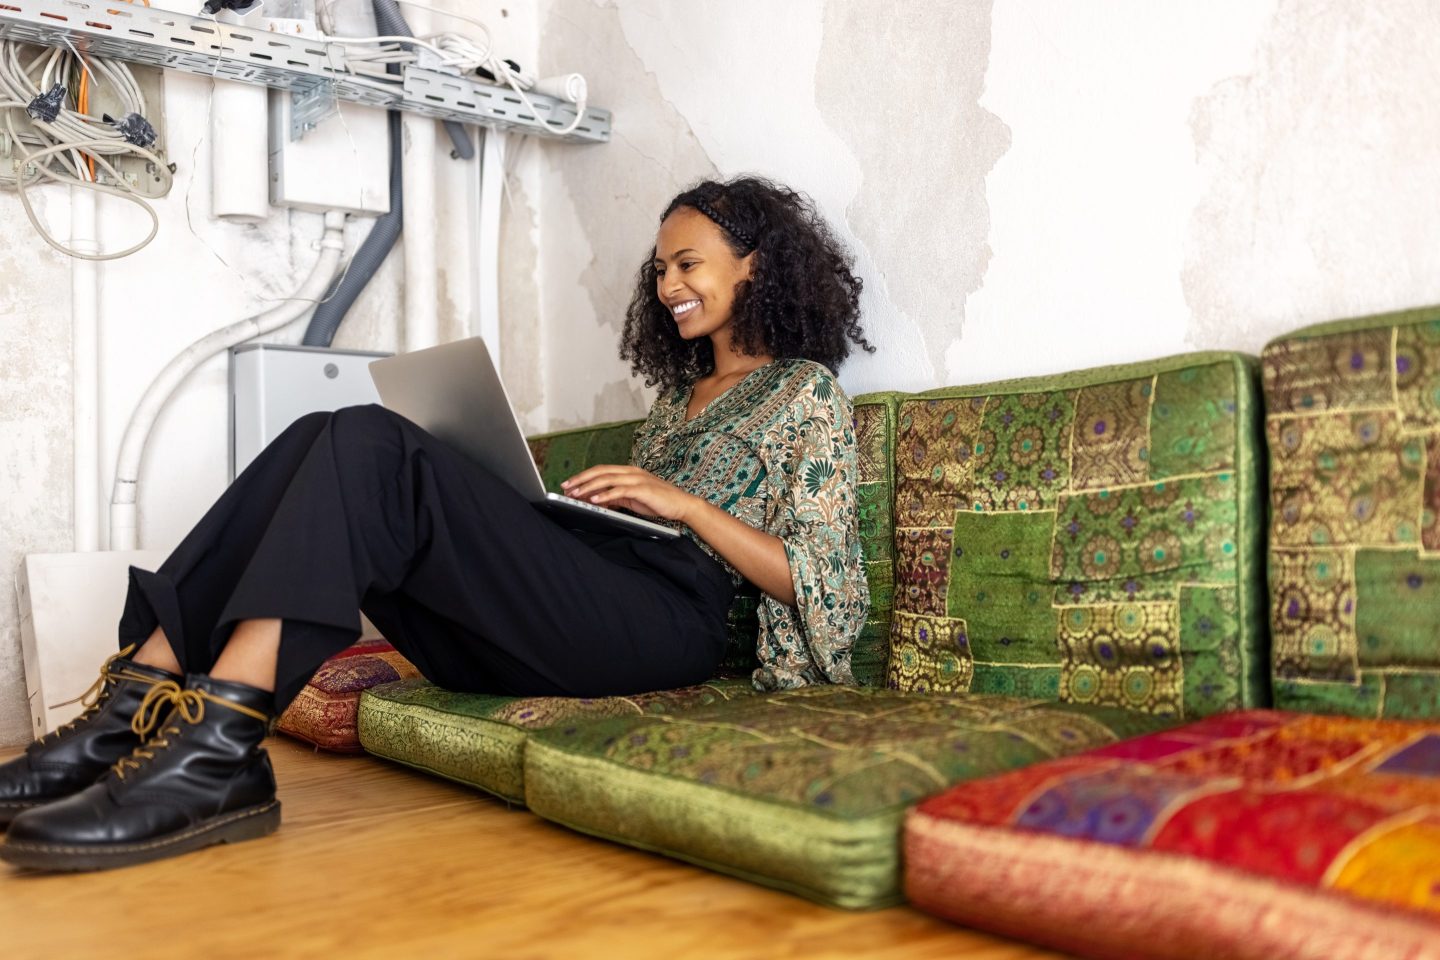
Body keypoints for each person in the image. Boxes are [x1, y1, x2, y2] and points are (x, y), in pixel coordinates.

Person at [0, 175, 874, 871]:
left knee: (376, 442)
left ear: (755, 264)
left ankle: (217, 743)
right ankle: (136, 707)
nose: (668, 284)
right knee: (322, 434)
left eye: (688, 263)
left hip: (673, 622)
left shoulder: (806, 396)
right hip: (590, 603)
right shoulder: (675, 405)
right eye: (661, 270)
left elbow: (824, 585)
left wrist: (681, 504)